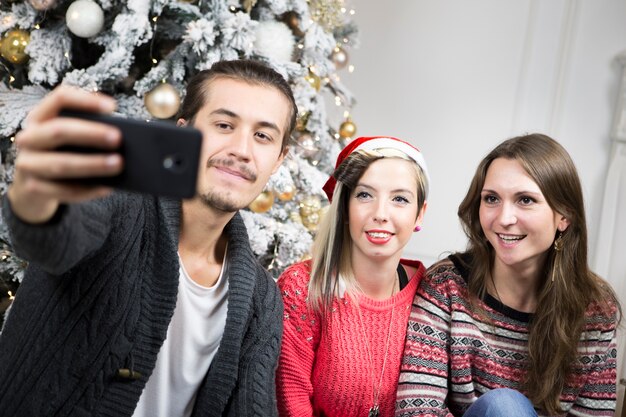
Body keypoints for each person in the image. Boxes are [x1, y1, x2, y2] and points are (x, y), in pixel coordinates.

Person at [0, 59, 297, 417]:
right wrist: (37, 198)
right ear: (185, 131)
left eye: (262, 136)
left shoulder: (262, 300)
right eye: (223, 124)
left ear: (278, 159)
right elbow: (53, 236)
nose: (241, 150)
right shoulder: (117, 203)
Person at [395, 134, 620, 417]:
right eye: (492, 199)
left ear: (564, 216)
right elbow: (415, 410)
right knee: (504, 407)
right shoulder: (446, 286)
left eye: (525, 200)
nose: (503, 218)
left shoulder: (595, 311)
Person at [276, 136, 430, 417]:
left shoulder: (431, 294)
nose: (380, 214)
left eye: (399, 199)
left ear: (419, 214)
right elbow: (291, 400)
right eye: (364, 195)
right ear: (344, 207)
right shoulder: (303, 287)